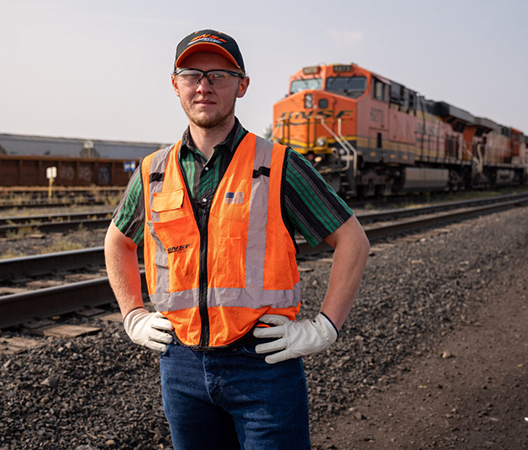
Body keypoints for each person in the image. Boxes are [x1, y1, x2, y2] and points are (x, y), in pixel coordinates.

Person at [104, 29, 369, 449]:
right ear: (176, 85)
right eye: (192, 74)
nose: (204, 85)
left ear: (242, 85)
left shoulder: (278, 164)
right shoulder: (153, 171)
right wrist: (132, 314)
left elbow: (353, 241)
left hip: (263, 365)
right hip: (181, 366)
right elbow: (117, 242)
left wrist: (325, 327)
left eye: (219, 74)